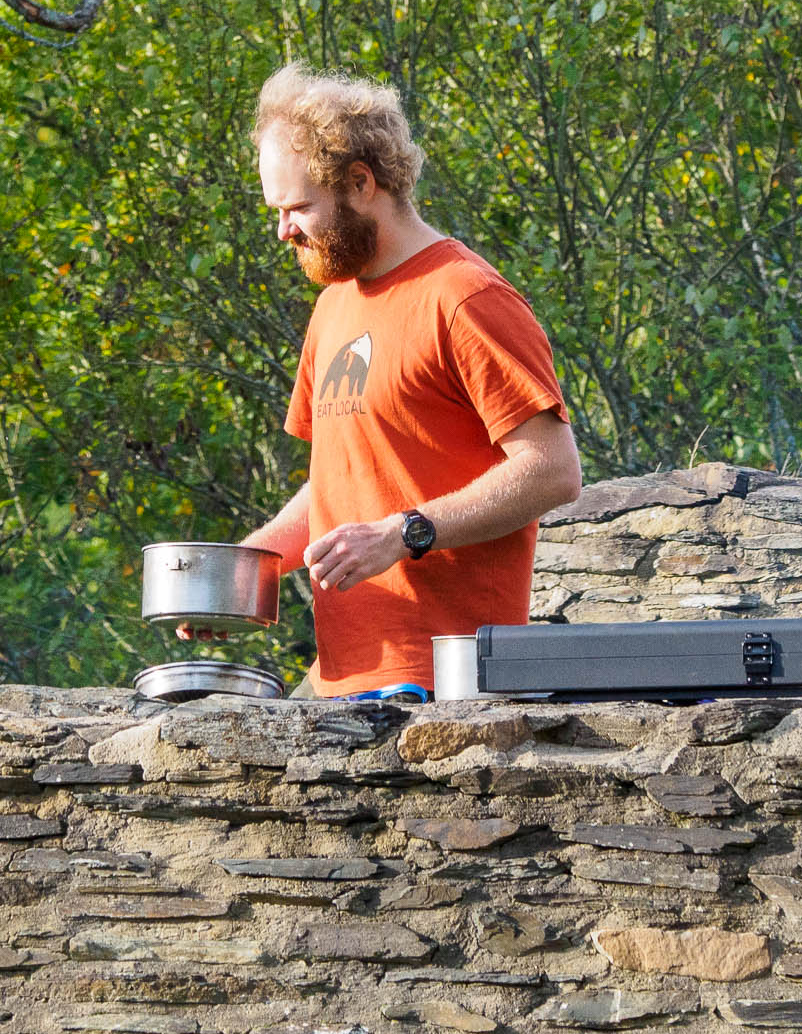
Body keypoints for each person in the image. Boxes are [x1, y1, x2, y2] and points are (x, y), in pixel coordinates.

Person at [229, 64, 583, 697]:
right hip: (344, 671)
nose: (283, 230)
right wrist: (234, 574)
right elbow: (337, 484)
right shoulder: (334, 303)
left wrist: (404, 534)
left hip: (447, 680)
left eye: (298, 207)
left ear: (362, 184)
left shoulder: (465, 298)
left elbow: (553, 470)